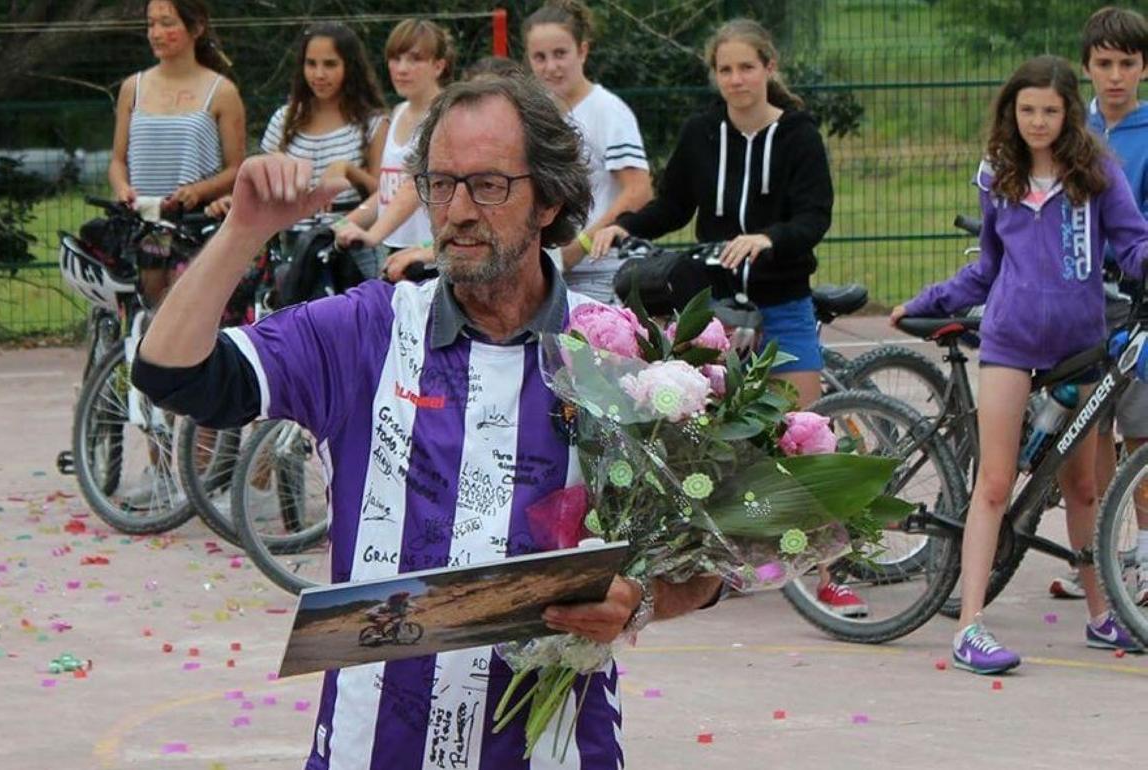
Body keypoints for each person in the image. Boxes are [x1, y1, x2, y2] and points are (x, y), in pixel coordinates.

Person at [131, 75, 724, 767]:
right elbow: (170, 373)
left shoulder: (618, 359)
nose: (458, 211)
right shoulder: (365, 331)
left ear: (551, 199)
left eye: (489, 185)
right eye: (441, 184)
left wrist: (641, 599)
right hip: (372, 747)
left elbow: (707, 565)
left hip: (556, 748)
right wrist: (244, 231)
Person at [591, 19, 862, 616]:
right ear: (715, 75)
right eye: (725, 69)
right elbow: (671, 205)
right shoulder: (701, 133)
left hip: (781, 300)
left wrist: (767, 238)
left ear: (769, 68)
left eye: (746, 67)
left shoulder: (797, 136)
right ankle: (724, 559)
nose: (736, 79)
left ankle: (828, 572)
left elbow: (814, 217)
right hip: (713, 306)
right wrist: (624, 226)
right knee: (707, 440)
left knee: (801, 433)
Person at [891, 55, 1148, 674]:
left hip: (1081, 347)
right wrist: (927, 302)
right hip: (1009, 342)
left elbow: (1133, 244)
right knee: (996, 484)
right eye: (1027, 109)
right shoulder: (996, 176)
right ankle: (970, 625)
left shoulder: (1097, 173)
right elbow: (985, 267)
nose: (1038, 121)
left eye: (1050, 111)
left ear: (1068, 114)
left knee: (1083, 486)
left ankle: (1099, 614)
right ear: (1013, 111)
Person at [1050, 5, 1148, 606]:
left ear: (1144, 67)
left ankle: (1144, 559)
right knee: (1092, 437)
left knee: (1141, 432)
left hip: (1135, 303)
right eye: (1103, 63)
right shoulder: (1066, 128)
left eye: (1127, 64)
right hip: (1076, 304)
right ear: (1085, 67)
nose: (1115, 76)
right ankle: (1107, 556)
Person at [107, 0, 245, 305]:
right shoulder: (133, 87)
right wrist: (123, 189)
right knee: (151, 296)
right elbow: (118, 160)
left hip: (195, 223)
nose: (156, 33)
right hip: (148, 220)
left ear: (196, 28)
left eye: (167, 23)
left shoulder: (222, 92)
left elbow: (237, 169)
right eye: (150, 24)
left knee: (187, 301)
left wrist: (199, 191)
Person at [523, 0, 652, 302]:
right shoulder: (534, 114)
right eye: (539, 57)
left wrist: (580, 245)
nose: (551, 66)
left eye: (560, 54)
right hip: (548, 270)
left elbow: (639, 190)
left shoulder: (608, 110)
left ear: (582, 51)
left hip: (602, 270)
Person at [253, 22, 388, 281]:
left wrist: (348, 171)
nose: (319, 74)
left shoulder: (373, 123)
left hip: (352, 250)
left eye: (330, 64)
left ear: (350, 67)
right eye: (311, 63)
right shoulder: (285, 119)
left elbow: (387, 194)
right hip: (296, 251)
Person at [333, 19, 456, 282]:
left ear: (438, 65)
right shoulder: (398, 112)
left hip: (432, 256)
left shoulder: (445, 117)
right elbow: (388, 191)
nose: (401, 69)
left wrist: (373, 234)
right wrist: (345, 222)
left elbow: (415, 185)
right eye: (395, 58)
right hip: (395, 253)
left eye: (414, 59)